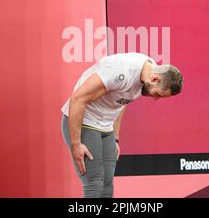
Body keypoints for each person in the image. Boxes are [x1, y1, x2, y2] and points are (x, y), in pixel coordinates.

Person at [60, 52, 183, 198]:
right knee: (94, 185)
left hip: (106, 127)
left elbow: (123, 101)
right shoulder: (120, 71)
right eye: (158, 94)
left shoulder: (149, 72)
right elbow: (78, 98)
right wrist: (76, 143)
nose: (155, 99)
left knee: (107, 187)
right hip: (85, 120)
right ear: (155, 79)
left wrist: (115, 138)